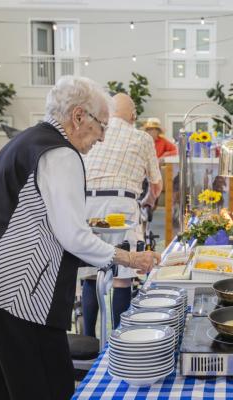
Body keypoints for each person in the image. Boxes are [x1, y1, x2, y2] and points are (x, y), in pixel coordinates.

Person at [0, 76, 160, 400]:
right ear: (79, 115)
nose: (102, 137)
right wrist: (131, 258)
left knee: (4, 388)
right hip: (17, 291)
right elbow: (73, 236)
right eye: (101, 125)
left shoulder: (24, 141)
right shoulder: (61, 154)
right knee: (46, 386)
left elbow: (36, 221)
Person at [82, 93, 163, 336]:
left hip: (86, 203)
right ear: (133, 114)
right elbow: (156, 185)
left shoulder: (94, 133)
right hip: (121, 204)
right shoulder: (142, 137)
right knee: (123, 275)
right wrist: (147, 203)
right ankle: (119, 338)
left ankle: (88, 337)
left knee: (89, 271)